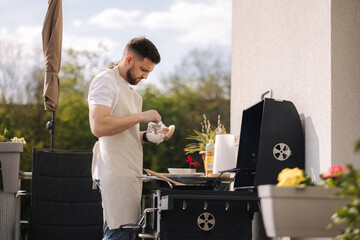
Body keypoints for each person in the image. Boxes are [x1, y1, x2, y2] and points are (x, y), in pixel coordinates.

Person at [88, 37, 168, 240]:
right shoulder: (105, 81)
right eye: (144, 70)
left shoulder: (127, 90)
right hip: (113, 172)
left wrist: (149, 137)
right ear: (129, 59)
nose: (146, 76)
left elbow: (125, 134)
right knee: (118, 232)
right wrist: (142, 116)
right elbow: (99, 126)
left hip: (129, 172)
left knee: (126, 232)